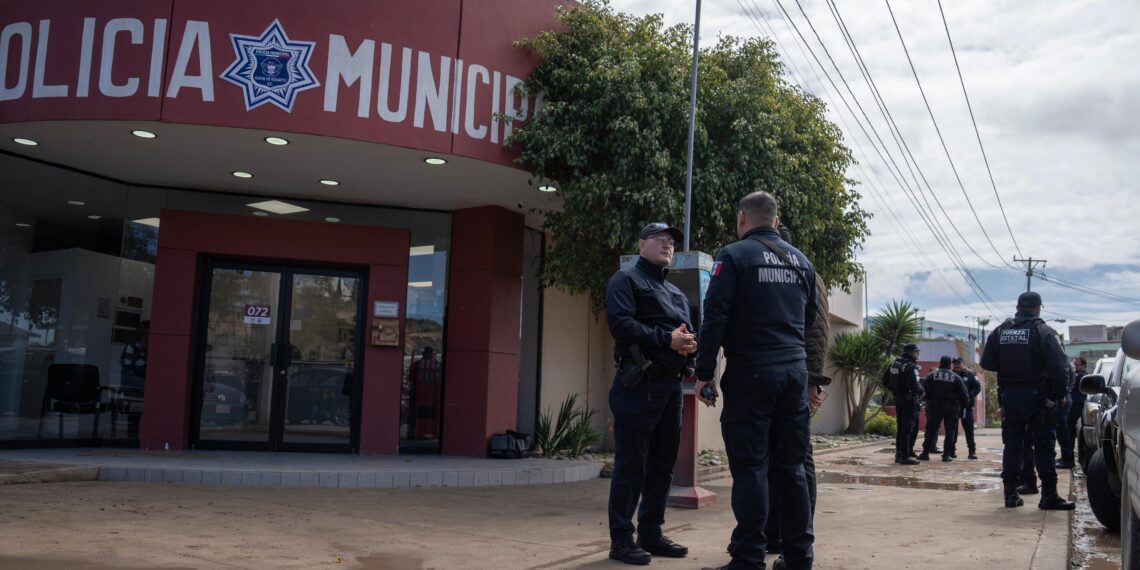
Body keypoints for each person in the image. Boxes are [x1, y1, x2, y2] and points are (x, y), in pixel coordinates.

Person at [694, 191, 817, 570]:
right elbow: (809, 320)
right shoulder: (802, 262)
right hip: (794, 373)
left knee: (750, 467)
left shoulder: (733, 256)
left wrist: (703, 374)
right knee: (792, 467)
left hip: (751, 372)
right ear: (776, 221)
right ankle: (799, 558)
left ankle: (748, 557)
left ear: (742, 218)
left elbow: (714, 318)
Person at [603, 222, 696, 565]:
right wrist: (666, 339)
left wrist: (689, 346)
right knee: (632, 466)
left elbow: (688, 331)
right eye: (661, 239)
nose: (668, 245)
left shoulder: (675, 294)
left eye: (672, 242)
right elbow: (621, 325)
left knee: (662, 464)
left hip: (671, 387)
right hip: (638, 386)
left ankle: (652, 533)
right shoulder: (625, 280)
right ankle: (621, 540)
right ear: (642, 245)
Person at [765, 223, 830, 569]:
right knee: (776, 461)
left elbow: (817, 331)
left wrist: (812, 381)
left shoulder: (803, 271)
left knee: (796, 461)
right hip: (786, 379)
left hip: (796, 380)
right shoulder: (799, 270)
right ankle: (774, 533)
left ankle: (797, 540)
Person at [980, 291, 1075, 510]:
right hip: (1038, 398)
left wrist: (1009, 366)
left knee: (1012, 446)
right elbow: (1059, 369)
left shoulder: (1000, 331)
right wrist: (1058, 396)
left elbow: (987, 362)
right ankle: (1049, 496)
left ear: (1017, 306)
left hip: (1010, 396)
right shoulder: (1044, 332)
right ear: (1038, 309)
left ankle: (1010, 494)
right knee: (1044, 446)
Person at [918, 356, 969, 462]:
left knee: (931, 430)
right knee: (950, 430)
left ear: (940, 363)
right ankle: (946, 455)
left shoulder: (932, 375)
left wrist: (928, 401)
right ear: (949, 364)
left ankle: (925, 453)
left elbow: (924, 391)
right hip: (952, 407)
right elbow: (964, 394)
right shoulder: (956, 377)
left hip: (935, 406)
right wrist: (963, 406)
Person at [888, 344, 925, 465]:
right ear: (911, 353)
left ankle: (898, 455)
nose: (918, 354)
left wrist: (896, 391)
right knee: (907, 428)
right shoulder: (911, 366)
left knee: (900, 427)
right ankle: (905, 456)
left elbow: (885, 380)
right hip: (909, 400)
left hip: (898, 399)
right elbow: (913, 384)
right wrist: (921, 391)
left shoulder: (895, 363)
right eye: (916, 352)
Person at [1058, 357, 1088, 469]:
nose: (1076, 366)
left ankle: (1068, 459)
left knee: (1068, 432)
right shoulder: (1078, 375)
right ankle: (1067, 457)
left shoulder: (1081, 376)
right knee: (1067, 432)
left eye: (1078, 364)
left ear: (1084, 366)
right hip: (1074, 406)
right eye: (1074, 364)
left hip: (1076, 406)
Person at [952, 357, 982, 460]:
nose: (956, 366)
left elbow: (978, 387)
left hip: (967, 407)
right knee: (952, 430)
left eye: (958, 363)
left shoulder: (970, 374)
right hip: (953, 407)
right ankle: (951, 451)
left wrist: (970, 395)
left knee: (969, 430)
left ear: (963, 364)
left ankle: (972, 452)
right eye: (955, 364)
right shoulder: (950, 375)